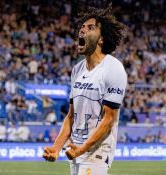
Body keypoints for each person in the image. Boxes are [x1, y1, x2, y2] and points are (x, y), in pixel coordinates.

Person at [43, 4, 127, 175]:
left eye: (90, 28)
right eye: (82, 27)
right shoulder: (77, 70)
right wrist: (56, 147)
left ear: (101, 39)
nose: (82, 30)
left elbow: (109, 120)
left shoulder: (113, 68)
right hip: (75, 149)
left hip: (97, 150)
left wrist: (83, 149)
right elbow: (71, 116)